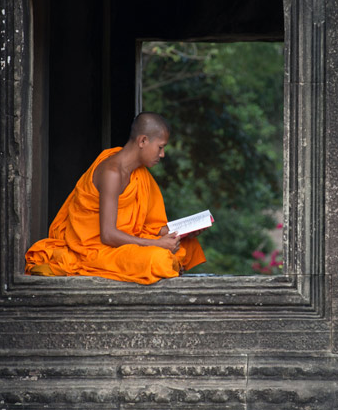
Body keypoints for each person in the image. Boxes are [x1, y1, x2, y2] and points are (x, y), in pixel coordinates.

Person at [24, 112, 206, 283]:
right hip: (95, 249)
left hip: (126, 242)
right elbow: (108, 235)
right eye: (160, 147)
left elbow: (145, 227)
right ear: (143, 141)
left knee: (188, 244)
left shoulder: (138, 174)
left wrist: (183, 230)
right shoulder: (112, 173)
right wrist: (156, 244)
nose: (162, 154)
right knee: (159, 259)